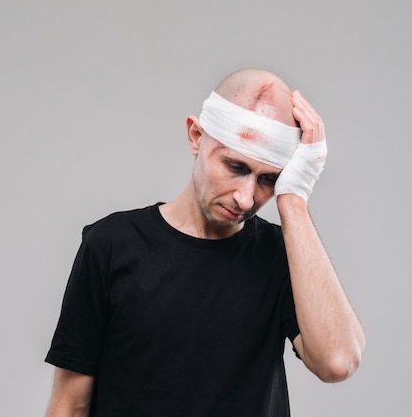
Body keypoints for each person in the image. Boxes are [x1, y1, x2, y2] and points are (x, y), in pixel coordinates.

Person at [44, 68, 366, 417]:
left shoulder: (280, 254)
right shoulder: (111, 244)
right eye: (235, 167)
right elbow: (69, 406)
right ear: (196, 136)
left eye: (268, 179)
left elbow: (337, 362)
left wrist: (294, 199)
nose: (246, 198)